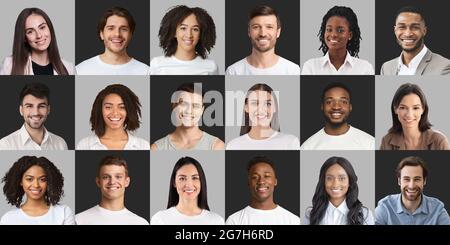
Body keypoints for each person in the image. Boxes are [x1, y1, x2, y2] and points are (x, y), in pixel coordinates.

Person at [226, 5, 300, 75]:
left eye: (269, 27)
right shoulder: (233, 71)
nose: (263, 34)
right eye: (256, 27)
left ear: (278, 32)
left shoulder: (293, 70)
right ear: (249, 32)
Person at [375, 156, 450, 225]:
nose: (411, 186)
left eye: (417, 179)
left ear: (424, 181)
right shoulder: (385, 207)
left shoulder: (437, 209)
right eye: (406, 179)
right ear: (399, 181)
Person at [0, 156, 75, 225]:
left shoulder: (64, 212)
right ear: (20, 181)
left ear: (49, 181)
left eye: (42, 180)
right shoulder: (8, 219)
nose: (36, 185)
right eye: (29, 179)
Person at [226, 156, 300, 225]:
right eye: (255, 177)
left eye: (267, 176)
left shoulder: (293, 221)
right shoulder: (234, 221)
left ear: (275, 181)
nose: (261, 181)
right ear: (249, 182)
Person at [75, 156, 149, 225]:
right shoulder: (79, 220)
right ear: (98, 182)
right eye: (106, 177)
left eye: (118, 177)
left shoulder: (140, 223)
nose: (112, 182)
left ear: (126, 181)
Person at [0, 8, 75, 75]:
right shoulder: (9, 65)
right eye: (30, 32)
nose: (39, 35)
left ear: (50, 29)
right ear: (24, 38)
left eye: (42, 27)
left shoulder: (69, 68)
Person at [301, 6, 374, 75]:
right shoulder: (311, 67)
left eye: (340, 30)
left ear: (350, 35)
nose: (333, 35)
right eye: (329, 29)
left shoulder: (365, 69)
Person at [151, 156, 224, 225]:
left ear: (201, 181)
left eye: (195, 178)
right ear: (174, 183)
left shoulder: (216, 221)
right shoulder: (160, 220)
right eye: (182, 178)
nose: (189, 185)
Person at [301, 82, 374, 150]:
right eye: (329, 102)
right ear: (322, 106)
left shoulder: (369, 143)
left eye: (343, 102)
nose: (336, 107)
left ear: (350, 107)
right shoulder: (308, 146)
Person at [76, 7, 149, 75]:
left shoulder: (145, 71)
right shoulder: (80, 70)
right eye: (111, 28)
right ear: (101, 34)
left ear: (130, 34)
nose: (117, 34)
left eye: (123, 29)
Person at [151, 82, 224, 150]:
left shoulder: (217, 146)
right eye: (183, 104)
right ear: (174, 106)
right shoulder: (156, 148)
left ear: (202, 110)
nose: (189, 111)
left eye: (195, 106)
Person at [226, 83, 300, 150]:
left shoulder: (291, 143)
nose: (261, 109)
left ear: (275, 108)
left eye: (268, 104)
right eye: (255, 103)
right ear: (246, 107)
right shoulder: (233, 146)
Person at [76, 84, 150, 150]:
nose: (115, 113)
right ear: (99, 110)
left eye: (122, 107)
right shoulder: (84, 145)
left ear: (129, 110)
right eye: (108, 107)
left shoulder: (143, 146)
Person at [304, 156, 374, 225]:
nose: (335, 184)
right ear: (323, 181)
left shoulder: (365, 214)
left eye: (342, 178)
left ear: (350, 181)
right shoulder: (311, 214)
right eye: (329, 178)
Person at [380, 6, 450, 75]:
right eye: (402, 27)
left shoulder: (444, 66)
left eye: (415, 27)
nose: (408, 34)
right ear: (395, 30)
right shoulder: (386, 68)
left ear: (424, 31)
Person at [149, 5, 218, 75]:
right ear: (174, 33)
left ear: (201, 34)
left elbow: (199, 86)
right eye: (183, 28)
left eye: (195, 29)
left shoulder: (211, 66)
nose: (189, 35)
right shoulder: (157, 64)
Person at [380, 83, 449, 150]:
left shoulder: (439, 141)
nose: (409, 115)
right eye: (403, 108)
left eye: (415, 108)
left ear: (423, 109)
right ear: (395, 109)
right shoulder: (386, 141)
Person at [0, 83, 68, 150]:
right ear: (21, 110)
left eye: (41, 106)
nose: (36, 113)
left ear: (48, 109)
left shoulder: (61, 144)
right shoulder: (5, 145)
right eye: (29, 106)